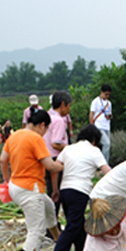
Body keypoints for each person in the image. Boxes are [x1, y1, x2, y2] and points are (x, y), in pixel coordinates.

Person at [0, 110, 63, 251]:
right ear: (42, 125)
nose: (45, 133)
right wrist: (63, 165)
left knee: (49, 207)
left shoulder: (14, 135)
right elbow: (50, 165)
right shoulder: (35, 138)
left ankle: (59, 241)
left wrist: (6, 180)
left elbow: (2, 159)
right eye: (46, 129)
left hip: (15, 186)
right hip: (29, 189)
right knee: (37, 231)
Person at [47, 125, 111, 251]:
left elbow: (54, 169)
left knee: (77, 222)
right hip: (80, 191)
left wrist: (55, 189)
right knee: (73, 225)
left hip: (65, 190)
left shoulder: (68, 148)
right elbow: (107, 172)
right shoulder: (94, 151)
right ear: (94, 140)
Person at [43, 90, 73, 220]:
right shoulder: (59, 120)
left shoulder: (47, 116)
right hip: (56, 160)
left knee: (51, 194)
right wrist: (71, 149)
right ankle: (55, 228)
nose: (69, 109)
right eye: (68, 106)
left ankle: (51, 228)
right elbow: (56, 144)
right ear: (62, 104)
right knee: (58, 195)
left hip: (46, 159)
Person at [90, 84, 113, 164]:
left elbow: (109, 113)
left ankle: (104, 163)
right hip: (98, 126)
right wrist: (91, 126)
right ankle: (103, 164)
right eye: (106, 94)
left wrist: (109, 116)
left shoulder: (109, 103)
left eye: (108, 95)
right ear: (101, 92)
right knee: (107, 144)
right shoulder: (95, 101)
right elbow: (91, 114)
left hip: (107, 126)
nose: (107, 96)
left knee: (106, 146)